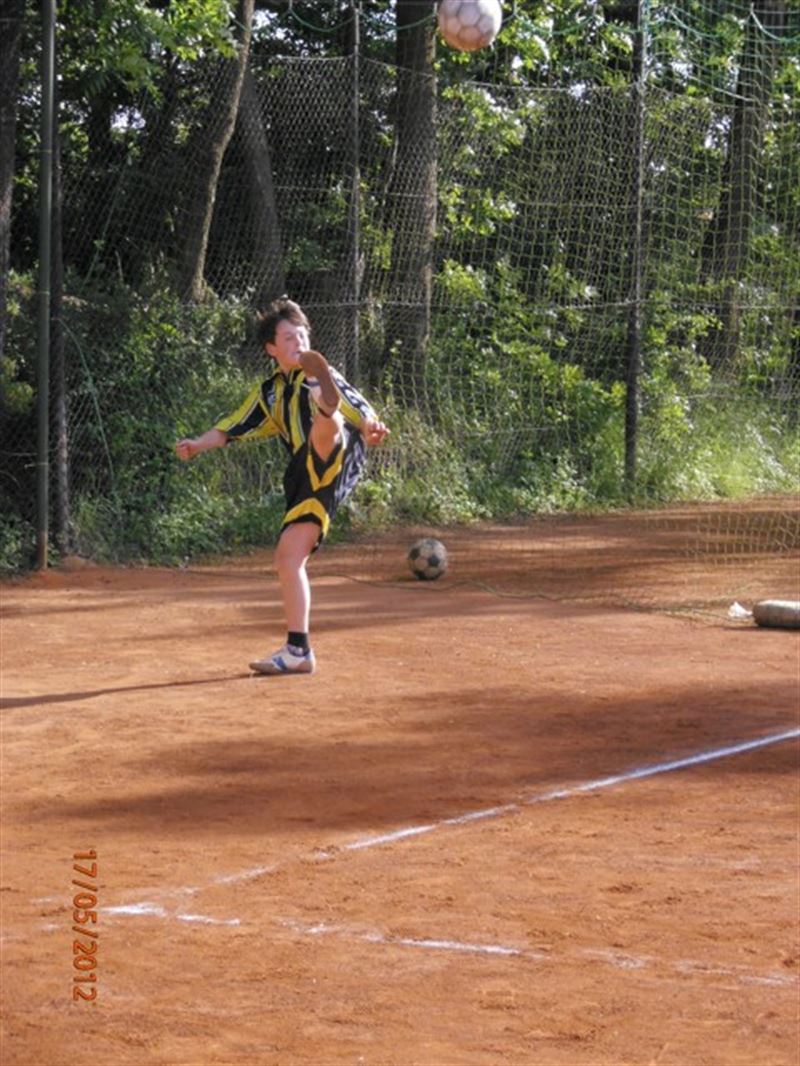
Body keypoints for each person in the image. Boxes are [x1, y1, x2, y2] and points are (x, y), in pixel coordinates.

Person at [175, 298, 389, 675]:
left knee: (328, 424)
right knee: (288, 557)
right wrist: (197, 444)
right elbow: (230, 428)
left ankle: (325, 409)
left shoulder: (323, 373)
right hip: (305, 472)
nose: (298, 342)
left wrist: (370, 426)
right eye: (289, 337)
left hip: (337, 453)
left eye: (302, 335)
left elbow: (360, 406)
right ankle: (298, 650)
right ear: (271, 349)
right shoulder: (269, 393)